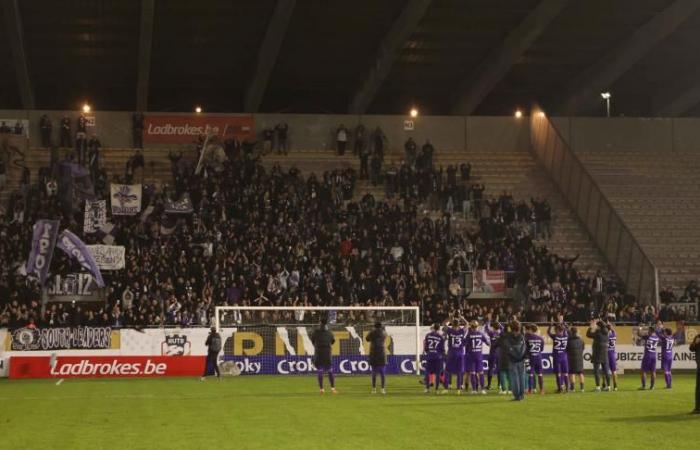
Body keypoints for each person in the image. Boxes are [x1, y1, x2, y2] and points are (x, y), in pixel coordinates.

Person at [311, 317, 336, 394]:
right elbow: (333, 341)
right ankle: (333, 389)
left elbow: (312, 340)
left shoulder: (315, 332)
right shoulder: (329, 332)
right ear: (326, 323)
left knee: (320, 370)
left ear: (320, 322)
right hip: (327, 352)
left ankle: (321, 389)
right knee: (330, 370)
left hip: (318, 352)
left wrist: (318, 344)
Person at [504, 321, 527, 401]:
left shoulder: (508, 337)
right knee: (522, 377)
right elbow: (524, 348)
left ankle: (517, 396)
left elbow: (507, 347)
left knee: (514, 378)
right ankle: (522, 395)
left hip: (512, 360)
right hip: (521, 359)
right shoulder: (522, 336)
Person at [465, 320, 489, 394]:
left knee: (473, 373)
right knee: (481, 372)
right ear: (477, 326)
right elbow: (487, 343)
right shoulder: (480, 334)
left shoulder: (469, 335)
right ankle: (482, 389)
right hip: (479, 355)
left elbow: (465, 344)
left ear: (471, 327)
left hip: (471, 355)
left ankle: (474, 390)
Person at [444, 318, 467, 394]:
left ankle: (446, 388)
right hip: (460, 353)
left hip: (451, 353)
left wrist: (449, 318)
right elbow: (467, 324)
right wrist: (461, 317)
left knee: (447, 371)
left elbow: (444, 324)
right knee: (459, 371)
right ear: (459, 325)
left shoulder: (450, 331)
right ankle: (458, 389)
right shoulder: (461, 331)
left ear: (452, 324)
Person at [587, 320, 611, 392]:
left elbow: (588, 334)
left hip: (597, 353)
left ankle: (598, 387)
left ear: (599, 326)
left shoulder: (598, 333)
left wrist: (590, 327)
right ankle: (608, 386)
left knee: (596, 371)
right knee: (606, 371)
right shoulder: (606, 333)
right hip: (605, 353)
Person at [423, 322, 445, 394]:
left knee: (427, 372)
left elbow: (426, 347)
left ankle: (427, 388)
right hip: (438, 357)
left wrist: (428, 352)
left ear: (433, 328)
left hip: (429, 356)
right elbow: (442, 349)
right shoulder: (440, 337)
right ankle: (436, 389)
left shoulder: (428, 335)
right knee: (438, 373)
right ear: (438, 329)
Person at [366, 321, 388, 394]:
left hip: (373, 353)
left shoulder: (372, 332)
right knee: (382, 373)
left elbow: (367, 339)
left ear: (374, 326)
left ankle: (374, 389)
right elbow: (385, 338)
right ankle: (382, 389)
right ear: (381, 326)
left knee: (374, 372)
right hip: (382, 353)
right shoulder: (384, 333)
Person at [547, 321, 569, 393]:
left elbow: (548, 332)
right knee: (565, 373)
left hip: (557, 357)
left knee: (558, 373)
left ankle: (560, 388)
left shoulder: (555, 336)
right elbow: (565, 330)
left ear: (557, 330)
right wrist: (563, 325)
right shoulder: (566, 336)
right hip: (564, 357)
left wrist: (550, 325)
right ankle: (567, 388)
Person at [525, 324, 545, 394]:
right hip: (538, 357)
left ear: (531, 330)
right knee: (540, 374)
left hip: (531, 357)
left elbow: (526, 349)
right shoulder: (541, 338)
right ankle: (542, 390)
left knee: (531, 374)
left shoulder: (527, 338)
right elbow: (542, 349)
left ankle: (530, 390)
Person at [484, 318, 502, 391]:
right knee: (499, 369)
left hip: (492, 353)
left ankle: (489, 385)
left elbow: (486, 328)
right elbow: (502, 328)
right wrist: (498, 322)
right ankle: (499, 385)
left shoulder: (491, 333)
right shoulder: (501, 333)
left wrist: (488, 320)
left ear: (493, 327)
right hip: (500, 353)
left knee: (490, 369)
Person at [567, 327, 585, 392]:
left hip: (571, 358)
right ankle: (582, 388)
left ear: (571, 332)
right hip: (580, 358)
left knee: (572, 373)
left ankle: (572, 388)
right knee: (581, 373)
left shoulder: (569, 340)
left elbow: (567, 349)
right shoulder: (581, 340)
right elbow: (583, 348)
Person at [689, 334, 700, 413]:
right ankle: (698, 408)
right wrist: (695, 343)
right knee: (698, 388)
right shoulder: (698, 337)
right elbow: (691, 348)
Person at [607, 321, 619, 391]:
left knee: (605, 370)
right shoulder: (614, 334)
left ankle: (606, 385)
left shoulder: (606, 335)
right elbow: (613, 330)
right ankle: (615, 386)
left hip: (607, 353)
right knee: (614, 371)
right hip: (613, 354)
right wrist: (610, 326)